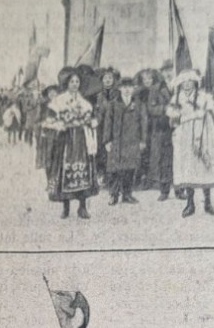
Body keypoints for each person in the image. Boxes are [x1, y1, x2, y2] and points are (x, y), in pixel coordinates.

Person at [43, 70, 99, 219]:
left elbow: (93, 118)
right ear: (66, 83)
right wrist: (58, 125)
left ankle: (82, 207)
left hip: (81, 140)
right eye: (72, 82)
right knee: (64, 171)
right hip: (66, 139)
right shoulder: (59, 101)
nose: (75, 85)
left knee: (83, 171)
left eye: (77, 82)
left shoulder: (85, 103)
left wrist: (91, 123)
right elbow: (49, 119)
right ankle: (66, 207)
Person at [166, 70, 214, 218]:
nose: (187, 84)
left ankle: (208, 203)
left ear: (195, 83)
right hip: (184, 136)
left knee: (204, 165)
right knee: (188, 167)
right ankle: (190, 203)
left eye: (190, 81)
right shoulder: (176, 99)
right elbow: (172, 120)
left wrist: (204, 114)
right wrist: (179, 118)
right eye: (184, 82)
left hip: (202, 134)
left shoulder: (204, 98)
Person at [102, 77, 147, 205]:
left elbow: (144, 124)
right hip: (117, 141)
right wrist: (107, 141)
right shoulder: (113, 104)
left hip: (132, 141)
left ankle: (127, 194)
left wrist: (143, 140)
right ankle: (113, 194)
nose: (127, 90)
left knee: (130, 169)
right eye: (124, 87)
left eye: (130, 87)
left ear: (134, 89)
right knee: (115, 169)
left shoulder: (139, 105)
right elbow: (108, 123)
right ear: (120, 89)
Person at [141, 69, 174, 200]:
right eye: (166, 71)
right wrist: (165, 109)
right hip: (163, 127)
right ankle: (164, 190)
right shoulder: (156, 89)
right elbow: (151, 108)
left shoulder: (180, 86)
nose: (168, 74)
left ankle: (180, 189)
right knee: (164, 159)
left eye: (170, 70)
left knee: (178, 158)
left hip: (179, 127)